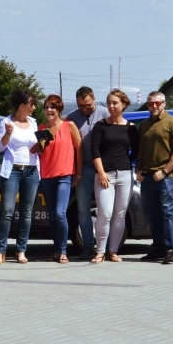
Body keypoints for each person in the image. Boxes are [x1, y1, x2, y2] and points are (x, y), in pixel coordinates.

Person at [0, 89, 41, 265]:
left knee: (26, 213)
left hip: (31, 171)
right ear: (22, 105)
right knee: (7, 212)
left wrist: (43, 143)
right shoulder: (6, 122)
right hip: (12, 171)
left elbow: (37, 146)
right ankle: (0, 251)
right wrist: (8, 133)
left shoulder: (33, 123)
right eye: (31, 104)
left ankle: (21, 250)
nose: (33, 108)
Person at [89, 90, 138, 264]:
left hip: (125, 174)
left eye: (115, 103)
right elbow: (94, 150)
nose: (111, 106)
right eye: (109, 102)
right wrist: (101, 172)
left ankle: (113, 251)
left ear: (123, 105)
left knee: (120, 214)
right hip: (105, 175)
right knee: (105, 213)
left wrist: (125, 163)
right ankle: (100, 251)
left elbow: (136, 151)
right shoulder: (101, 125)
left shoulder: (131, 127)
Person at [136, 91, 173, 265]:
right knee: (152, 214)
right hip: (147, 176)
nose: (154, 106)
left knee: (167, 213)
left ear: (164, 103)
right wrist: (138, 169)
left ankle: (170, 250)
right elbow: (141, 150)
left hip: (165, 177)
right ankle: (157, 248)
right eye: (151, 104)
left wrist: (164, 172)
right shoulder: (144, 125)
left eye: (157, 103)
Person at [37, 94, 83, 264]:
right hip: (46, 176)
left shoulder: (68, 125)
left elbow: (80, 149)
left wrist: (78, 173)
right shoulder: (41, 128)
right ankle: (56, 250)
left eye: (53, 107)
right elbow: (38, 151)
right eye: (46, 107)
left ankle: (63, 251)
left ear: (59, 110)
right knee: (52, 216)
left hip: (64, 175)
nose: (49, 110)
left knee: (60, 213)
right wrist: (39, 144)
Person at [66, 87, 110, 260]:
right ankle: (88, 246)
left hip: (103, 169)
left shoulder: (106, 114)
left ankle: (105, 247)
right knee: (83, 210)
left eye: (88, 105)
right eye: (80, 106)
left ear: (94, 99)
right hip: (82, 169)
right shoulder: (72, 118)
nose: (84, 109)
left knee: (105, 209)